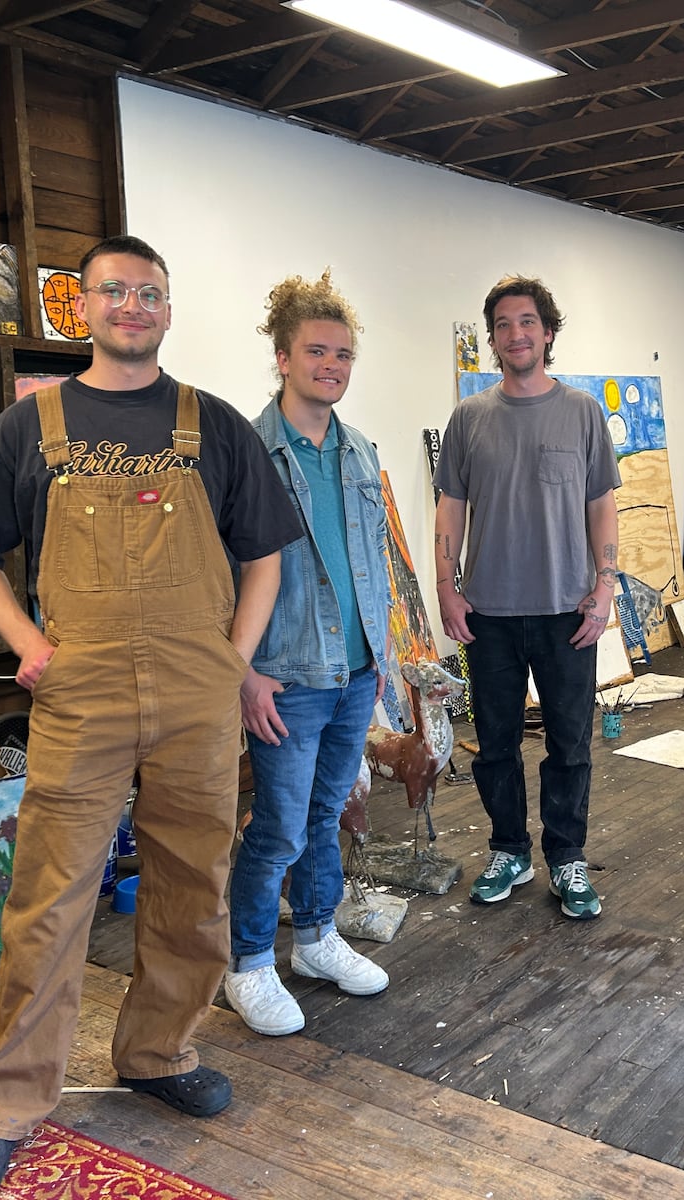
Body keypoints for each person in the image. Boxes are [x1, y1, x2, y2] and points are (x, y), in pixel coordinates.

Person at [0, 234, 303, 1200]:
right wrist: (28, 643)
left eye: (151, 293)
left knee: (193, 878)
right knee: (50, 895)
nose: (133, 306)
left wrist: (234, 656)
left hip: (195, 690)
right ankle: (4, 1102)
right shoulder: (29, 426)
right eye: (114, 292)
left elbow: (263, 553)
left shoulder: (213, 426)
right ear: (80, 309)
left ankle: (159, 1053)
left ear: (168, 311)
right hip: (79, 689)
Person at [221, 270, 394, 1036]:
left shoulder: (360, 451)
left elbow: (372, 559)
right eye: (317, 351)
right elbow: (221, 573)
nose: (333, 365)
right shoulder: (247, 452)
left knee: (328, 813)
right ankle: (249, 963)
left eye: (344, 354)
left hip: (356, 671)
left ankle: (317, 939)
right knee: (280, 828)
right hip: (285, 676)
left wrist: (382, 654)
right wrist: (243, 673)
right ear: (283, 357)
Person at [432, 275, 621, 921]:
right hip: (487, 613)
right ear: (493, 339)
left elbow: (602, 506)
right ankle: (509, 849)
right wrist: (446, 592)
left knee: (570, 745)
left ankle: (566, 858)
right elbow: (450, 509)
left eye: (528, 322)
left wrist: (603, 588)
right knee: (496, 745)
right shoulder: (468, 419)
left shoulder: (581, 412)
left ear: (547, 332)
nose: (516, 333)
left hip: (568, 611)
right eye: (504, 324)